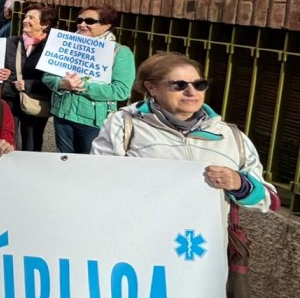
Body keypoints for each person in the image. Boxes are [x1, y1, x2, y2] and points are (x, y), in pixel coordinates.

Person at [92, 52, 278, 216]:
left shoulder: (231, 136)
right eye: (179, 85)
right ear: (151, 88)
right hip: (140, 244)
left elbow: (270, 201)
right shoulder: (124, 125)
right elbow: (97, 181)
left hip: (200, 249)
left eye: (199, 84)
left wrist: (240, 184)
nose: (191, 92)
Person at [43, 4, 135, 155]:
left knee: (89, 164)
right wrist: (61, 83)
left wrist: (82, 85)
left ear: (107, 25)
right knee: (64, 161)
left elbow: (121, 90)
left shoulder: (120, 52)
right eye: (80, 20)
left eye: (90, 21)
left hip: (93, 121)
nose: (82, 24)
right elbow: (47, 76)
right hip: (63, 115)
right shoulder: (65, 45)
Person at [0, 3, 56, 152]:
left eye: (31, 17)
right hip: (10, 100)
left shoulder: (52, 48)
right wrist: (3, 74)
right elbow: (2, 68)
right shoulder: (11, 42)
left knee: (32, 145)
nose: (25, 20)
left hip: (36, 102)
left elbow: (53, 79)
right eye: (25, 16)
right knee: (7, 141)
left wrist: (28, 84)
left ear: (44, 24)